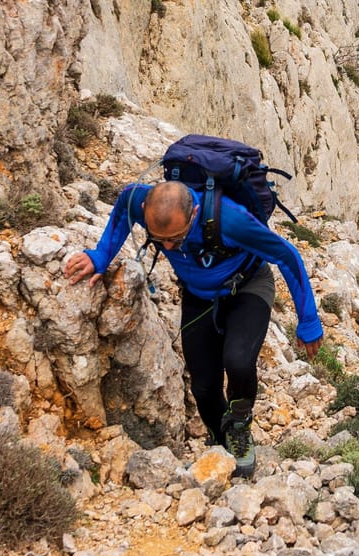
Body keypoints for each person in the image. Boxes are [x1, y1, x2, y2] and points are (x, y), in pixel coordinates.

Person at [63, 179, 323, 478]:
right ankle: (218, 439)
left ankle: (238, 428)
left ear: (195, 212)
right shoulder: (139, 200)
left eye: (177, 237)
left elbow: (287, 257)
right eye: (159, 239)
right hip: (198, 295)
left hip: (248, 288)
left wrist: (308, 321)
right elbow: (122, 207)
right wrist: (99, 257)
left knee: (238, 361)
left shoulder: (232, 220)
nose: (169, 246)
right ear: (145, 209)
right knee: (202, 386)